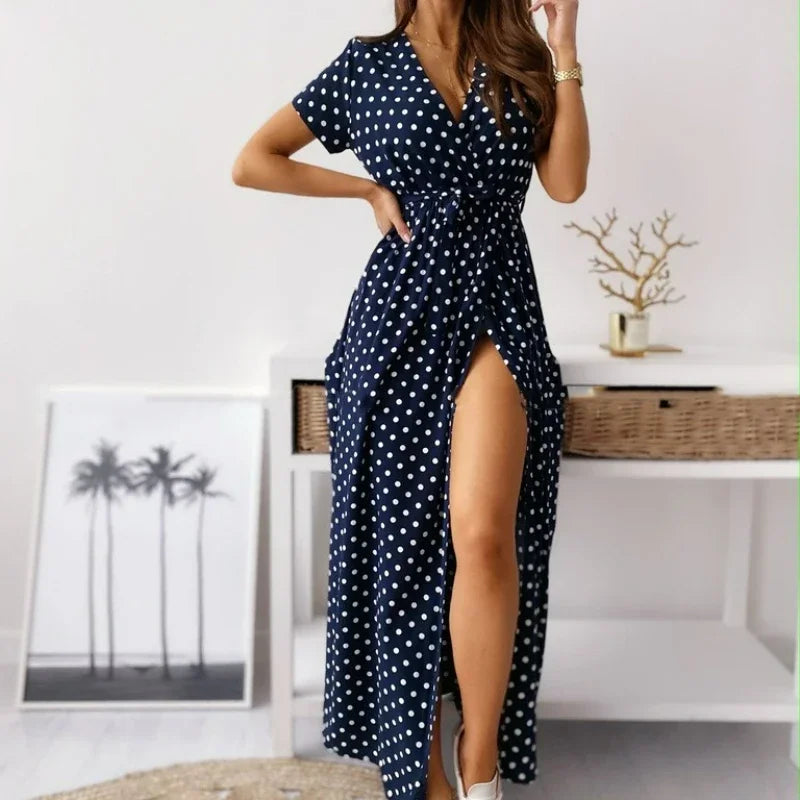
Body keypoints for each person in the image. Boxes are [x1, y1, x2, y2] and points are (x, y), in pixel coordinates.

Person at [233, 1, 589, 798]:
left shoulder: (520, 55)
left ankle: (479, 755)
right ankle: (420, 772)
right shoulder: (366, 65)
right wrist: (363, 189)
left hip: (499, 308)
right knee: (400, 553)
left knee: (484, 534)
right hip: (397, 315)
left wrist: (564, 44)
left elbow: (566, 185)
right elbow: (254, 160)